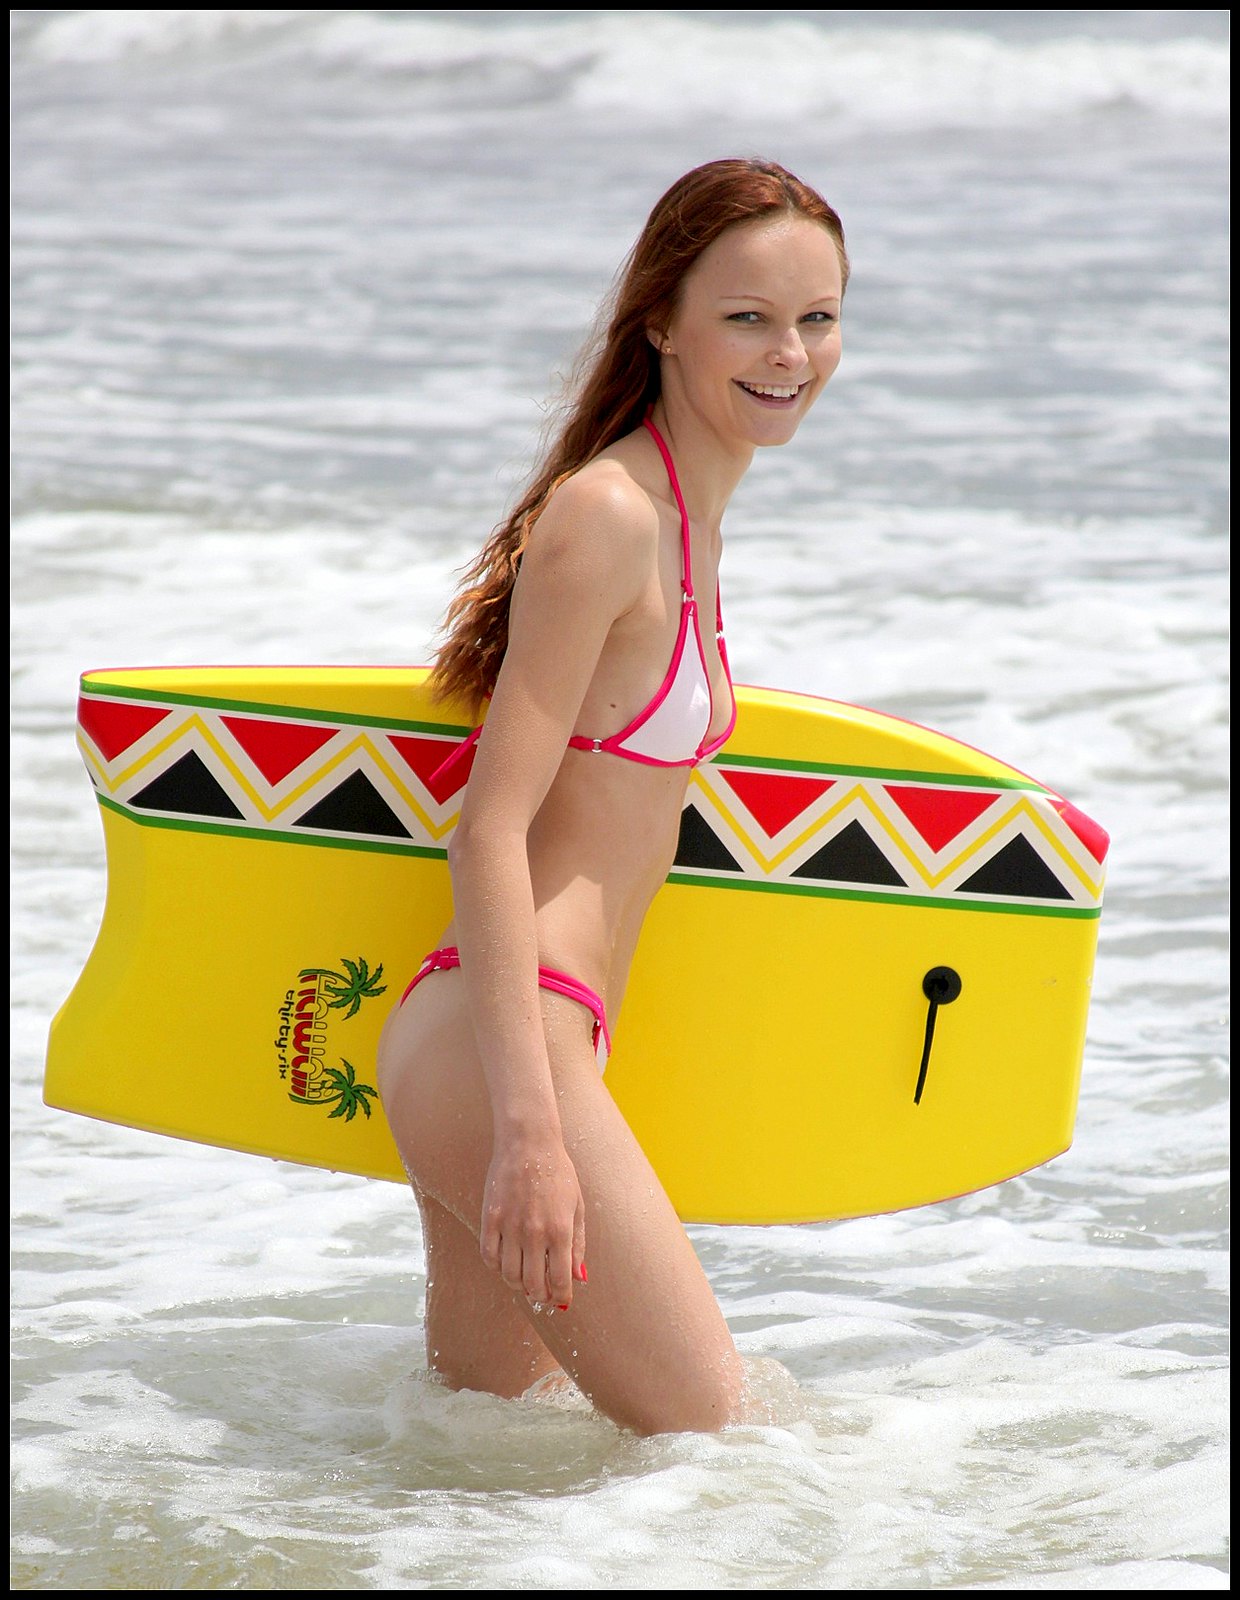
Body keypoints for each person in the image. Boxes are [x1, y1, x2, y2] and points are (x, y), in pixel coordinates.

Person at [376, 157, 848, 1436]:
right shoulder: (612, 513)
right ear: (662, 323)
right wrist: (531, 1133)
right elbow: (489, 830)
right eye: (747, 317)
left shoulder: (688, 517)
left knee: (487, 1462)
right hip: (511, 1046)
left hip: (513, 1044)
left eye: (816, 318)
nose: (790, 353)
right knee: (720, 1447)